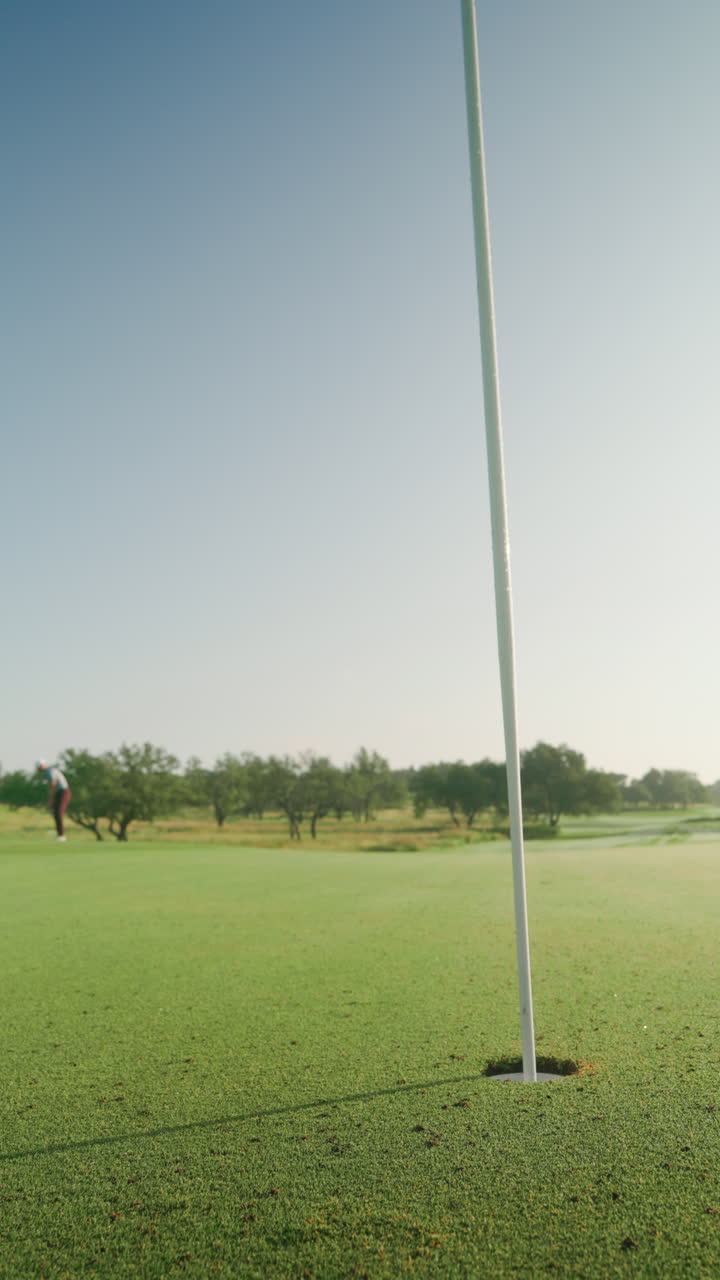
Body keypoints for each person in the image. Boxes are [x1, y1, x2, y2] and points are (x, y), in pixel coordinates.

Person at [36, 760, 72, 841]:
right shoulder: (50, 771)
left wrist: (51, 800)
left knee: (59, 812)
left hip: (63, 792)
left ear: (42, 766)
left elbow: (53, 785)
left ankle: (62, 835)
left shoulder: (49, 772)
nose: (38, 769)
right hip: (61, 792)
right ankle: (60, 835)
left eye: (39, 767)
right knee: (56, 813)